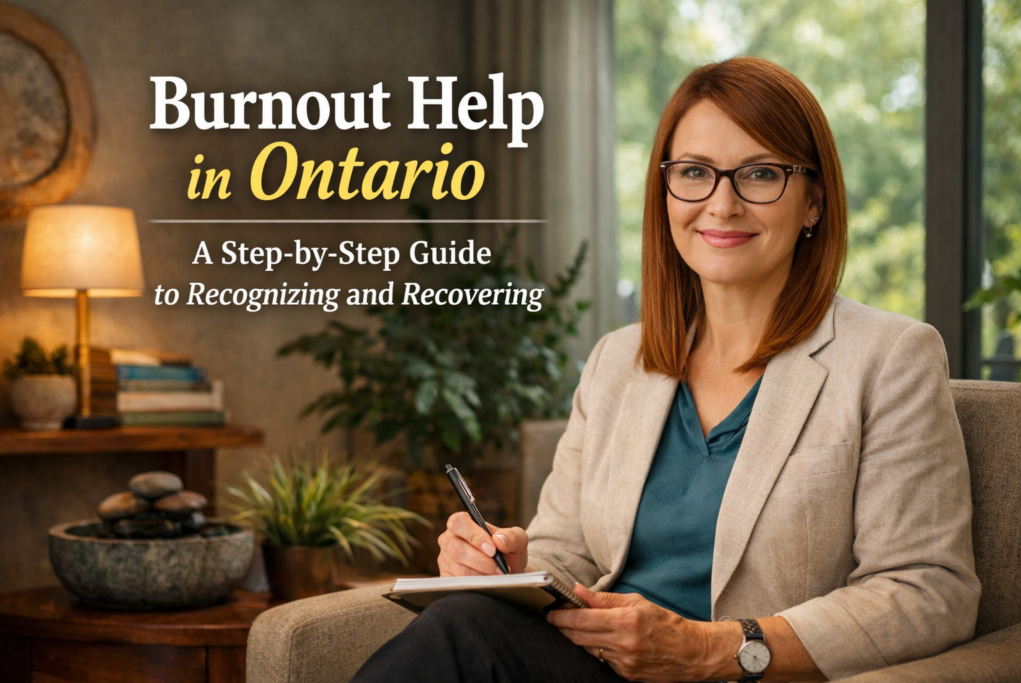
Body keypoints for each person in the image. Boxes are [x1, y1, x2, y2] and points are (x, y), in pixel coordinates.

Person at [352, 56, 980, 683]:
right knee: (464, 619)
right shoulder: (616, 361)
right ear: (666, 191)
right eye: (695, 173)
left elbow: (929, 591)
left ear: (814, 201)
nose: (722, 204)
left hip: (728, 674)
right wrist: (508, 568)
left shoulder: (890, 357)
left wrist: (711, 650)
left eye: (761, 174)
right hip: (591, 667)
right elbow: (567, 552)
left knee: (459, 633)